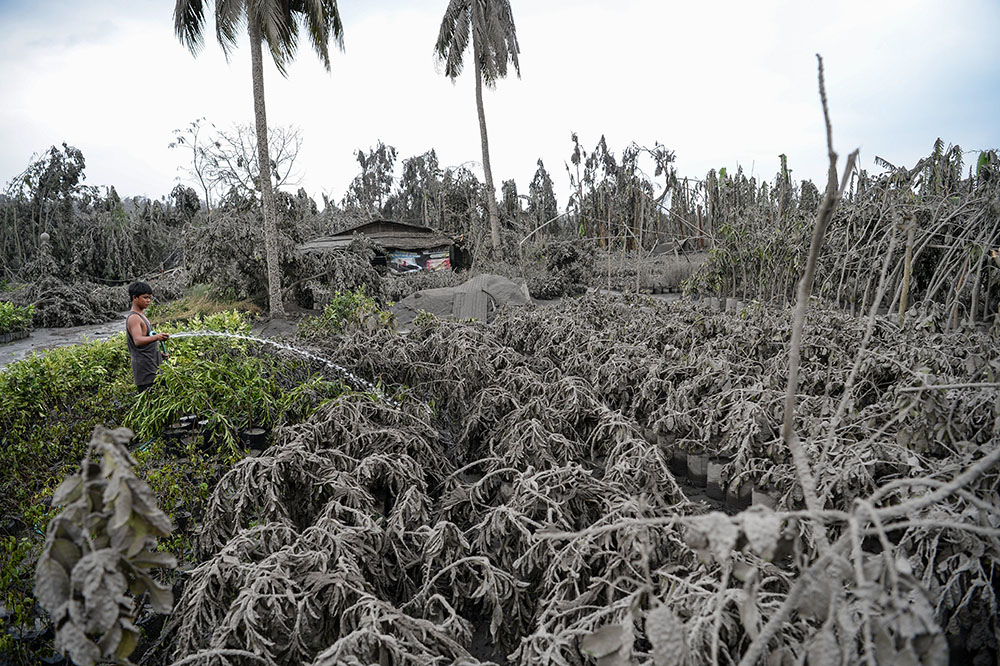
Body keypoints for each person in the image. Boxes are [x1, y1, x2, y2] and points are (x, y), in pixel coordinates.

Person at [126, 282, 169, 392]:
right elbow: (138, 340)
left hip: (153, 367)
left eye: (149, 298)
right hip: (146, 373)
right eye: (145, 297)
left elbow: (146, 343)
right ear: (135, 297)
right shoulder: (134, 318)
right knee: (152, 403)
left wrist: (159, 354)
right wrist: (157, 337)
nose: (148, 300)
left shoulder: (141, 315)